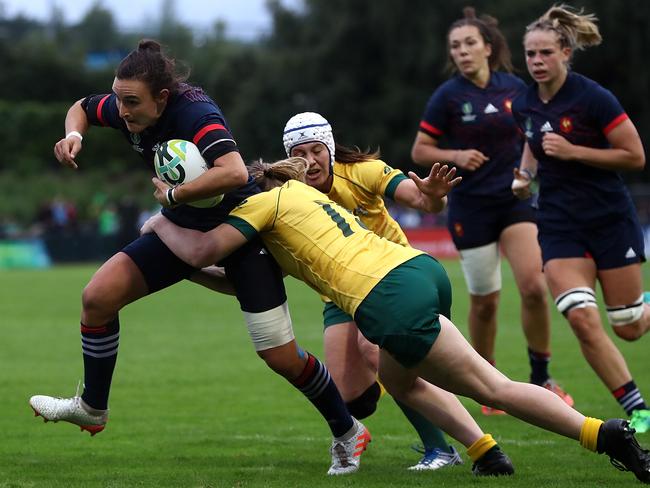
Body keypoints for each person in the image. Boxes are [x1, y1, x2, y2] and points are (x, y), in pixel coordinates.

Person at [142, 156, 650, 483]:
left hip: (387, 299)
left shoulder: (259, 205)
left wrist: (162, 217)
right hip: (416, 272)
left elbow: (204, 247)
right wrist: (192, 272)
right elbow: (238, 281)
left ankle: (605, 435)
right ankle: (485, 452)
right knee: (400, 382)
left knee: (491, 387)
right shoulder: (298, 197)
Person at [27, 39, 370, 476]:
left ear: (162, 98)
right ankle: (93, 408)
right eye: (118, 98)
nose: (122, 110)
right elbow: (81, 106)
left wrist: (173, 194)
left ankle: (347, 430)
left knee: (279, 355)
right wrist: (74, 133)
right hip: (185, 222)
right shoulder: (126, 105)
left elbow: (234, 172)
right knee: (97, 297)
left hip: (241, 227)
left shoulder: (195, 113)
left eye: (130, 102)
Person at [282, 111, 467, 471]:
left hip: (394, 280)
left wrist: (434, 198)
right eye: (299, 153)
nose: (309, 161)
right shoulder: (291, 193)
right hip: (339, 294)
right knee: (352, 397)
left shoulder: (363, 171)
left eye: (316, 149)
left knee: (377, 350)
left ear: (330, 148)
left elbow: (418, 197)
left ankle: (442, 449)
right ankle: (393, 381)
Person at [410, 7, 573, 415]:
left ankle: (542, 377)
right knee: (485, 302)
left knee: (534, 287)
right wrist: (457, 154)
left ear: (487, 47)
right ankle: (488, 384)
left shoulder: (516, 88)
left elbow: (535, 134)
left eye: (469, 44)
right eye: (455, 47)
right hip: (471, 208)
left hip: (515, 203)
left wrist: (527, 171)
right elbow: (420, 151)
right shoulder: (447, 96)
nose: (462, 52)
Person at [510, 5, 650, 434]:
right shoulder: (524, 102)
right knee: (581, 318)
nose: (536, 61)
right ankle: (638, 410)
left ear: (566, 52)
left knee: (628, 328)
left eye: (545, 53)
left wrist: (575, 152)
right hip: (558, 225)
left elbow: (635, 156)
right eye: (531, 54)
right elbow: (535, 140)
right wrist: (524, 174)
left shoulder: (594, 97)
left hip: (610, 220)